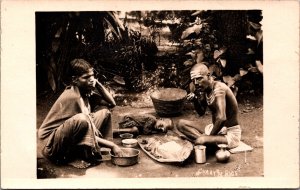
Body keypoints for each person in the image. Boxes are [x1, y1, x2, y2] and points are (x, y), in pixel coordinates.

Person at [38, 59, 123, 168]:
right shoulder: (73, 96)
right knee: (83, 119)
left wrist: (97, 84)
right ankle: (74, 156)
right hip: (51, 145)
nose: (91, 79)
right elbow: (84, 125)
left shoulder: (85, 91)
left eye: (92, 75)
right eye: (86, 77)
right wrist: (112, 145)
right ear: (75, 80)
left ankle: (90, 148)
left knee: (104, 112)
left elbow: (111, 103)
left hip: (70, 134)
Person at [177, 62, 241, 149]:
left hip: (230, 134)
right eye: (193, 80)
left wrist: (208, 137)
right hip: (215, 129)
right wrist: (195, 100)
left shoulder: (219, 88)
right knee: (180, 124)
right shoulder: (205, 89)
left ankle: (203, 141)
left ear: (208, 75)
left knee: (201, 141)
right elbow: (201, 112)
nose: (195, 83)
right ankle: (205, 141)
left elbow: (222, 118)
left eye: (199, 79)